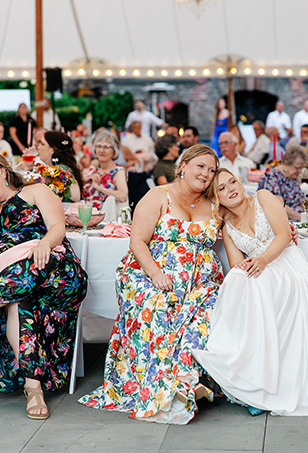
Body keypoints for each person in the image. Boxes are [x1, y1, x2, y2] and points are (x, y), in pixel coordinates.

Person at [79, 146, 224, 424]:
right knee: (157, 306)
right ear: (183, 165)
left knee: (208, 313)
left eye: (212, 170)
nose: (206, 174)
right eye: (201, 166)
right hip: (148, 272)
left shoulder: (214, 202)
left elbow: (246, 214)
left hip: (200, 282)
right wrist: (156, 274)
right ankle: (170, 387)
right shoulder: (159, 195)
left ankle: (185, 381)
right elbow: (137, 241)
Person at [195, 169, 308, 416]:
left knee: (259, 281)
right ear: (217, 199)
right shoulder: (227, 227)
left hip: (286, 262)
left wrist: (262, 260)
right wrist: (250, 265)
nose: (231, 189)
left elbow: (282, 236)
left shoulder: (263, 197)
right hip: (261, 270)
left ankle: (263, 387)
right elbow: (236, 262)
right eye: (221, 189)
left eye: (232, 182)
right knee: (238, 278)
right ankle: (246, 372)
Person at [0, 153, 88, 419]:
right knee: (20, 300)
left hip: (54, 270)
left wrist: (45, 243)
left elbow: (58, 227)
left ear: (1, 171)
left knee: (32, 262)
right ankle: (33, 388)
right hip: (14, 284)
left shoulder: (34, 191)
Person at [82, 130, 129, 211]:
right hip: (87, 217)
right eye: (99, 146)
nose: (101, 150)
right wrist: (85, 181)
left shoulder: (118, 172)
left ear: (114, 152)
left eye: (106, 147)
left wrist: (99, 188)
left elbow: (123, 196)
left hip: (108, 219)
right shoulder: (92, 171)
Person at [256, 146, 308, 220]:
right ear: (286, 163)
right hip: (282, 222)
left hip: (298, 219)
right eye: (297, 168)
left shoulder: (293, 178)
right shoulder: (272, 177)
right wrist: (304, 218)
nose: (300, 172)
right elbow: (280, 207)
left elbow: (301, 203)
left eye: (301, 168)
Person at [34, 131, 85, 202]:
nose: (38, 147)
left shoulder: (60, 170)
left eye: (42, 144)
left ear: (53, 150)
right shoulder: (60, 167)